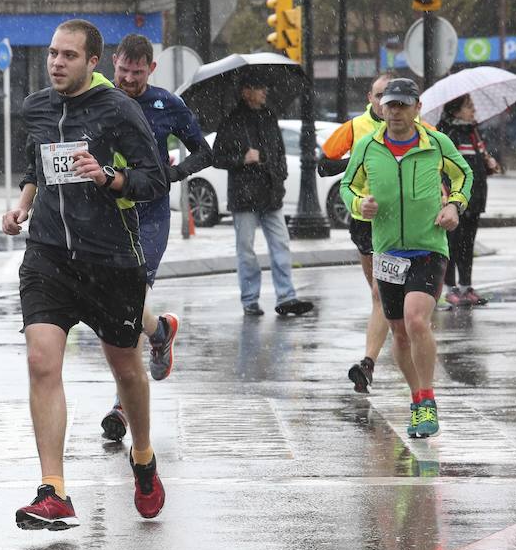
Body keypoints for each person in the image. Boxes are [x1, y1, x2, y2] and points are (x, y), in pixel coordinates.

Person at [2, 19, 168, 531]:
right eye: (53, 53)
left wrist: (109, 177)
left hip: (110, 258)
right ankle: (53, 490)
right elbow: (37, 162)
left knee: (126, 370)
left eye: (69, 55)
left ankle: (142, 455)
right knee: (41, 361)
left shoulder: (119, 109)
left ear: (93, 62)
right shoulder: (37, 106)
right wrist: (22, 205)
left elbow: (153, 180)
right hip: (48, 254)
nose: (56, 62)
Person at [341, 78, 472, 438]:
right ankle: (416, 399)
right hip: (387, 251)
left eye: (402, 105)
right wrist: (359, 205)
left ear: (417, 108)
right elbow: (347, 186)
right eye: (389, 105)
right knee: (399, 332)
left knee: (416, 321)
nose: (395, 112)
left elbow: (464, 174)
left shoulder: (436, 143)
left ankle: (428, 400)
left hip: (428, 246)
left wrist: (454, 205)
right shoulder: (367, 146)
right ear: (381, 108)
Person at [100, 33, 214, 442]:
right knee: (115, 308)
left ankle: (121, 406)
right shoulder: (96, 98)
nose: (128, 79)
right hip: (107, 213)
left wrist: (173, 173)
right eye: (122, 70)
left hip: (149, 214)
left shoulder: (168, 105)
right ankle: (161, 332)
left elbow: (203, 151)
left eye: (136, 72)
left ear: (151, 69)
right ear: (113, 63)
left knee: (129, 304)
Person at [211, 78, 314, 317]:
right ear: (246, 91)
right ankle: (250, 300)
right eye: (260, 87)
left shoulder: (270, 116)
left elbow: (278, 151)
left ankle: (287, 297)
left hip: (270, 192)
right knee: (246, 249)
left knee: (281, 244)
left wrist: (280, 174)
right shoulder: (231, 121)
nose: (265, 90)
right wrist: (242, 158)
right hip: (243, 195)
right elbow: (217, 157)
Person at [320, 73, 395, 393]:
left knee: (384, 294)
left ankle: (369, 362)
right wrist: (359, 159)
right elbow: (324, 164)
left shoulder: (417, 130)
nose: (384, 103)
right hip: (364, 219)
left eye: (391, 97)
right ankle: (387, 339)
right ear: (369, 97)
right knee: (379, 294)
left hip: (400, 221)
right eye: (379, 96)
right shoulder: (354, 128)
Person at [437, 94, 501, 307]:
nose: (473, 110)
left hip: (475, 199)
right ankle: (450, 288)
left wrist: (489, 164)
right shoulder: (449, 134)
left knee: (467, 244)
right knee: (452, 245)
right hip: (456, 201)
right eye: (469, 106)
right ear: (455, 110)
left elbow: (475, 163)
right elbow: (448, 169)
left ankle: (466, 286)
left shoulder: (472, 131)